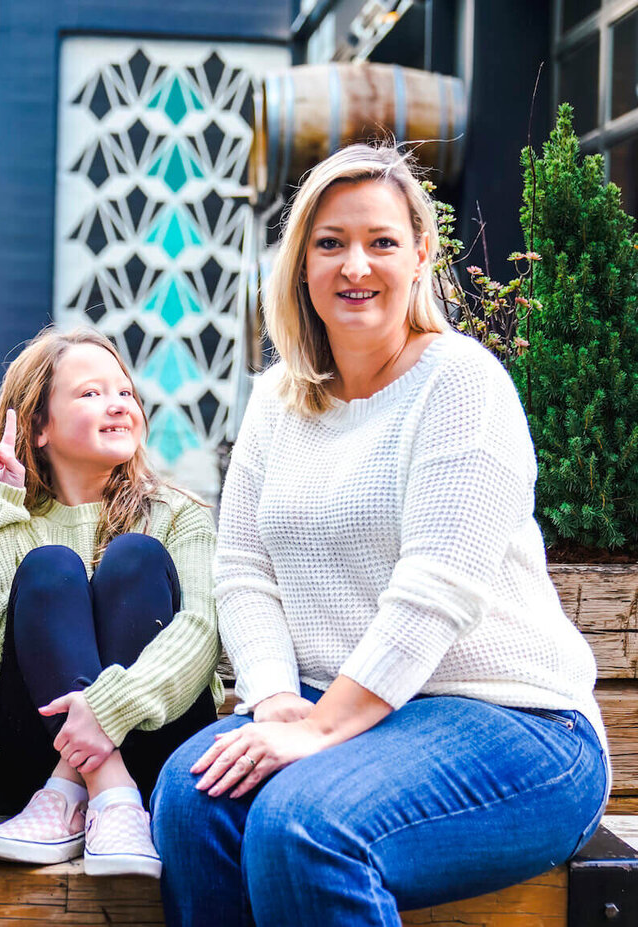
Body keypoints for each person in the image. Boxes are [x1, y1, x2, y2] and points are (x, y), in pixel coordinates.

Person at [152, 144, 610, 926]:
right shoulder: (276, 402)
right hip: (345, 709)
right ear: (301, 264)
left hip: (515, 725)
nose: (354, 264)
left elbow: (437, 589)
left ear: (422, 254)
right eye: (329, 243)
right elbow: (243, 571)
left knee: (305, 826)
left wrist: (321, 727)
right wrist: (270, 703)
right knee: (194, 796)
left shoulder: (461, 383)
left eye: (381, 241)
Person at [0, 328, 221, 879]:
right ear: (38, 425)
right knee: (50, 567)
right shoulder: (13, 517)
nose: (118, 404)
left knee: (135, 557)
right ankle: (106, 794)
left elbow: (201, 633)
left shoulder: (178, 515)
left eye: (126, 393)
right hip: (32, 761)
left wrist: (107, 711)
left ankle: (80, 790)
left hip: (156, 747)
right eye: (91, 393)